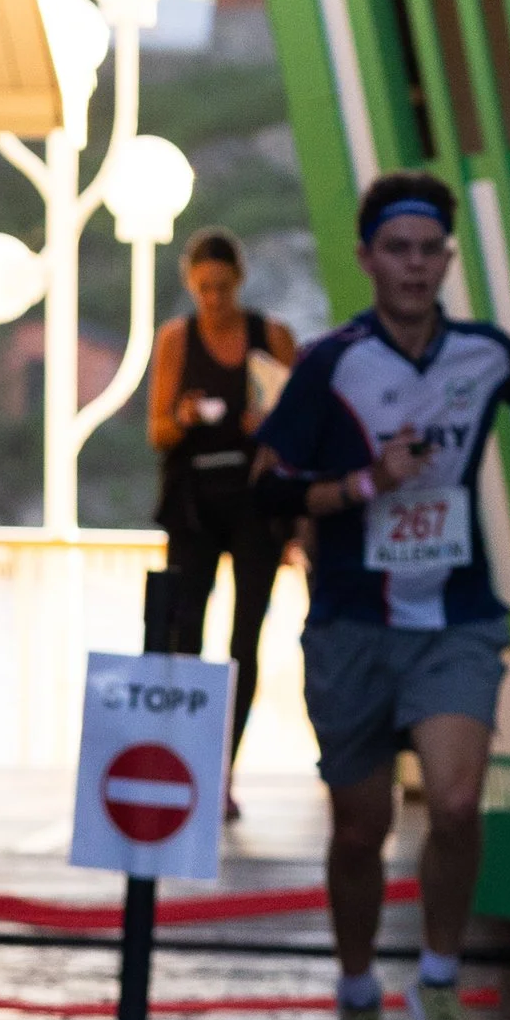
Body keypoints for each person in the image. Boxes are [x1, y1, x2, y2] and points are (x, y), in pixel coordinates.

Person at [251, 170, 510, 1020]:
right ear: (367, 260)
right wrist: (360, 486)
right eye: (398, 249)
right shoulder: (332, 364)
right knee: (362, 831)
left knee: (458, 803)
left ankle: (437, 978)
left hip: (456, 618)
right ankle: (357, 997)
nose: (416, 266)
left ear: (448, 260)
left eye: (431, 250)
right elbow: (267, 486)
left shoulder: (479, 353)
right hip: (353, 622)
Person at [148, 226, 299, 818]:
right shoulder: (177, 340)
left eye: (222, 288)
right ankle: (187, 758)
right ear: (191, 284)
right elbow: (157, 432)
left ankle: (223, 771)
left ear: (239, 282)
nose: (213, 299)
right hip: (193, 502)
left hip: (255, 501)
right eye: (203, 288)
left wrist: (268, 426)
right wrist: (183, 416)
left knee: (245, 639)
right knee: (187, 632)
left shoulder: (272, 336)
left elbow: (298, 423)